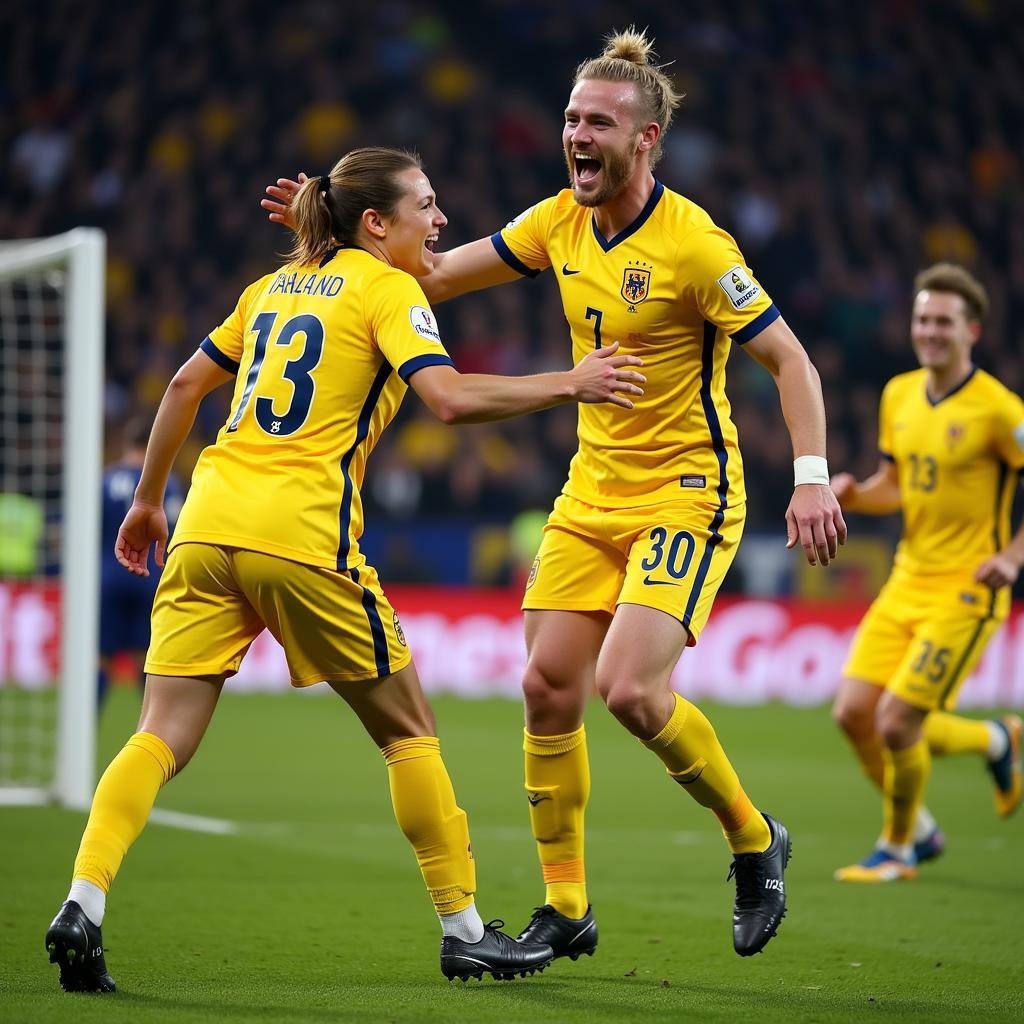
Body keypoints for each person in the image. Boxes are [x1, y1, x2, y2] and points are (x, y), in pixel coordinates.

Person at [264, 28, 846, 960]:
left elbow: (791, 359)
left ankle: (752, 835)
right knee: (544, 687)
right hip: (590, 492)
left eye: (600, 122)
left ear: (645, 138)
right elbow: (436, 273)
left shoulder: (696, 244)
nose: (577, 133)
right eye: (571, 117)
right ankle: (566, 907)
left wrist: (810, 479)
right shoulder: (557, 223)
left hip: (685, 493)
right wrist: (330, 228)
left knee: (629, 691)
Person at [44, 146, 647, 993]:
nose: (440, 223)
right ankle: (466, 930)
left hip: (205, 526)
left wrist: (148, 500)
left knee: (159, 734)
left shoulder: (270, 288)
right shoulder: (387, 288)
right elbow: (449, 400)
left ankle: (83, 901)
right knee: (409, 729)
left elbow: (184, 385)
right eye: (427, 207)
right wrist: (571, 382)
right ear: (377, 222)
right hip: (301, 535)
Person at [831, 263, 1023, 883]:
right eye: (922, 319)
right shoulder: (899, 394)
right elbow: (900, 485)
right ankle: (997, 743)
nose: (929, 332)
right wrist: (858, 494)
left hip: (967, 590)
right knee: (854, 714)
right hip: (907, 578)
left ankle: (900, 845)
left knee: (896, 720)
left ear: (973, 330)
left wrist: (1014, 556)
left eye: (943, 321)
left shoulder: (999, 409)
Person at [98, 418, 183, 706]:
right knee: (147, 658)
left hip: (107, 576)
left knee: (100, 658)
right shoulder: (167, 485)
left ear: (126, 443)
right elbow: (175, 529)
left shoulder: (105, 480)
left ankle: (84, 728)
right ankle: (153, 729)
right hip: (150, 577)